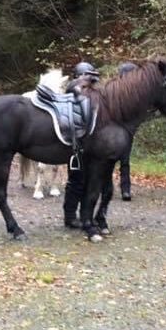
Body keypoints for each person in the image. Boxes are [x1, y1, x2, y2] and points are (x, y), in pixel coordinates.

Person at [62, 61, 101, 228]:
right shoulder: (74, 91)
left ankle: (82, 216)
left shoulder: (93, 97)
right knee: (76, 181)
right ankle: (70, 216)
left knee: (83, 182)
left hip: (87, 146)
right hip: (76, 146)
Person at [116, 62, 138, 200]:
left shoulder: (136, 93)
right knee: (107, 160)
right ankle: (105, 187)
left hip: (127, 130)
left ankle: (126, 190)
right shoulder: (115, 89)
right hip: (113, 128)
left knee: (125, 161)